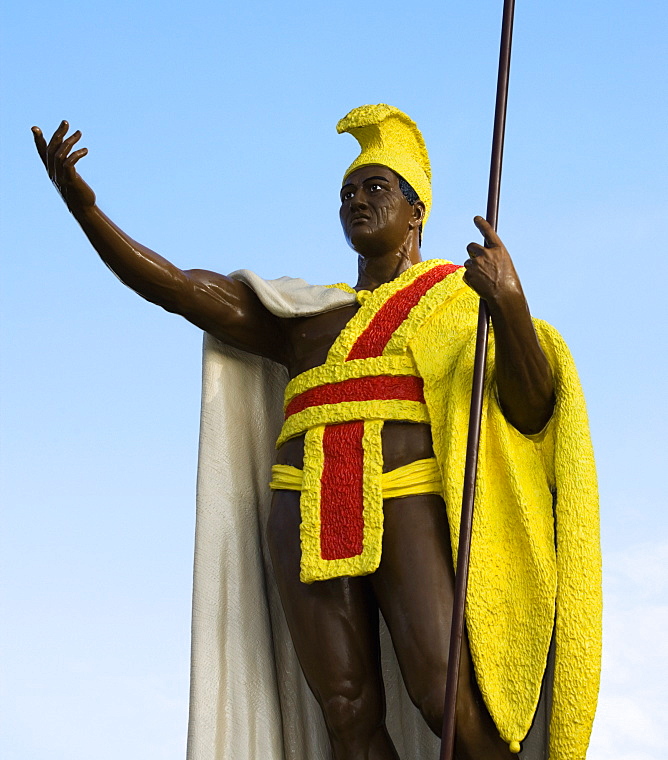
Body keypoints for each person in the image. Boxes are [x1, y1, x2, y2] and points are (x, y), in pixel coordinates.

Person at [32, 105, 601, 760]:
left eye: (375, 187)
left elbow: (531, 411)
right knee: (347, 713)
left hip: (404, 496)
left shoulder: (457, 300)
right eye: (347, 193)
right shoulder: (304, 315)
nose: (356, 200)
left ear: (417, 211)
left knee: (445, 697)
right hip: (302, 505)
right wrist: (86, 212)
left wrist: (510, 305)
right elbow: (180, 290)